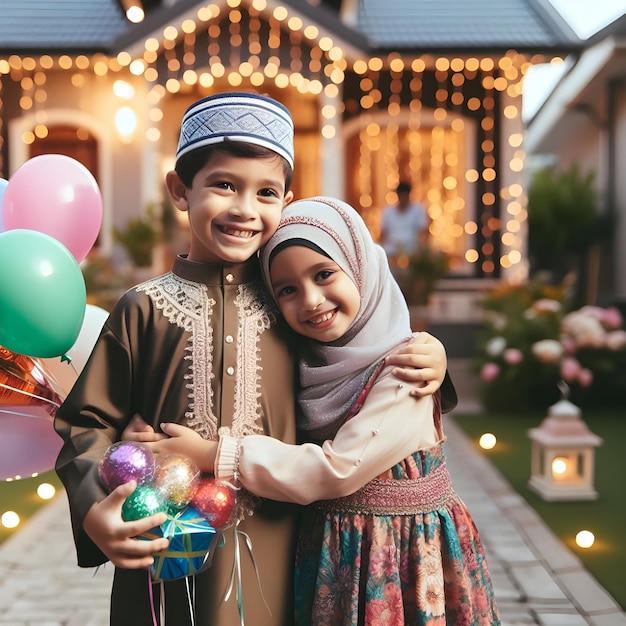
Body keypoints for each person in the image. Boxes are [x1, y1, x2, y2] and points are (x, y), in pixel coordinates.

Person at [54, 92, 452, 626]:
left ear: (285, 203)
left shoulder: (290, 303)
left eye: (266, 192)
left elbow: (363, 353)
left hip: (286, 551)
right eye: (223, 185)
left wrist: (430, 352)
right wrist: (96, 511)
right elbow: (86, 422)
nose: (244, 208)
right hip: (162, 547)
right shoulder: (142, 308)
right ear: (179, 189)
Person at [133, 197, 497, 625]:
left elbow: (337, 468)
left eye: (324, 274)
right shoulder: (309, 361)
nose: (310, 300)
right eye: (286, 290)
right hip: (336, 552)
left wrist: (214, 454)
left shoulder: (406, 370)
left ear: (361, 266)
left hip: (399, 556)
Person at [380, 180, 429, 259]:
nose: (403, 199)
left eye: (405, 196)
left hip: (411, 248)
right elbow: (383, 233)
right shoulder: (388, 212)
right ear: (398, 196)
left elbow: (423, 231)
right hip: (391, 248)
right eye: (401, 196)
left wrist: (419, 246)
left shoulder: (418, 210)